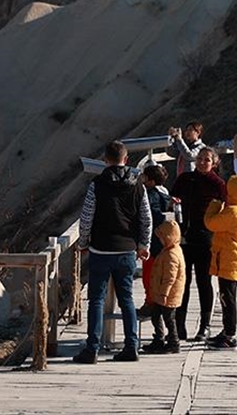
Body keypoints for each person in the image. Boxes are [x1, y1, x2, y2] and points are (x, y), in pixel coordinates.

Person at [73, 140, 152, 364]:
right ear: (126, 160)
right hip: (127, 249)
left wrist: (84, 242)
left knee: (96, 299)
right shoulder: (138, 184)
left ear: (105, 160)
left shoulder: (97, 184)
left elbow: (86, 217)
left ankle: (92, 349)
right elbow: (146, 218)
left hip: (101, 249)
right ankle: (131, 345)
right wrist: (143, 245)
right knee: (126, 298)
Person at [170, 146, 226, 342]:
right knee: (182, 283)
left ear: (214, 163)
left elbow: (226, 208)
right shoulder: (185, 179)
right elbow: (173, 199)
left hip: (206, 238)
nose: (202, 162)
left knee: (204, 282)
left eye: (207, 160)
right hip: (185, 237)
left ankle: (205, 326)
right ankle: (179, 325)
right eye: (200, 159)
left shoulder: (217, 183)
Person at [203, 175, 237, 350]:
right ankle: (226, 331)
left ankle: (230, 336)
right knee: (227, 297)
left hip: (229, 261)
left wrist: (215, 205)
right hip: (232, 259)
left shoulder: (232, 212)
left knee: (227, 299)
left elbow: (210, 223)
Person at [142, 219, 185, 355]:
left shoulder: (172, 255)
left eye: (161, 238)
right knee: (156, 315)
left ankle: (174, 341)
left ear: (168, 238)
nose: (159, 241)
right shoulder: (168, 250)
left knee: (168, 318)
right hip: (160, 293)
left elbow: (170, 278)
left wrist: (164, 293)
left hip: (168, 294)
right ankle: (159, 338)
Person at [138, 164, 172, 319]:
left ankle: (150, 303)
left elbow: (150, 216)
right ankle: (157, 302)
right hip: (165, 242)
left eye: (144, 177)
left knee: (149, 275)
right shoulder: (164, 193)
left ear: (150, 181)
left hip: (152, 242)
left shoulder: (149, 195)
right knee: (160, 275)